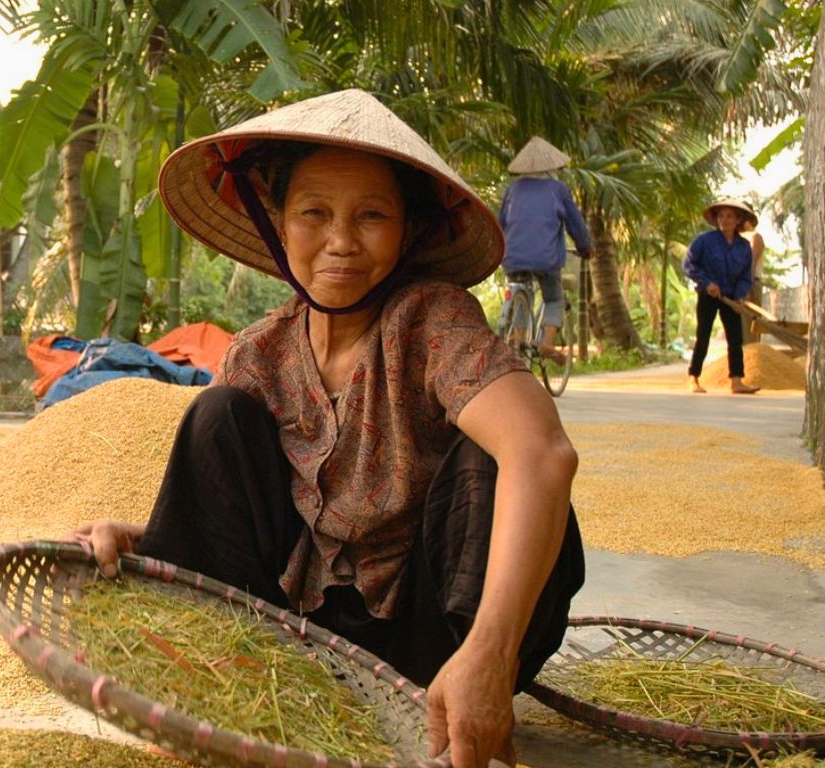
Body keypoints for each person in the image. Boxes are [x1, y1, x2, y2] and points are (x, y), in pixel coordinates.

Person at [72, 90, 584, 768]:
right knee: (215, 416)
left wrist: (489, 657)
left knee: (489, 462)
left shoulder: (432, 321)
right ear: (278, 222)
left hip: (432, 643)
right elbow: (242, 508)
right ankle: (229, 687)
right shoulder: (259, 351)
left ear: (408, 231)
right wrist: (146, 539)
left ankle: (464, 696)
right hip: (294, 643)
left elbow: (542, 453)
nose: (341, 240)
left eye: (372, 215)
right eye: (315, 213)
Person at [497, 136, 594, 362]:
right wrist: (585, 247)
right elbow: (575, 224)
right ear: (553, 166)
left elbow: (501, 223)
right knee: (554, 298)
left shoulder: (513, 189)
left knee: (522, 291)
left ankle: (517, 339)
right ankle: (547, 343)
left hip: (511, 257)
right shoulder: (557, 189)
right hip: (545, 259)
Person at [684, 199, 760, 394]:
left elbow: (745, 275)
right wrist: (707, 283)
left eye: (729, 216)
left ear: (738, 220)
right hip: (708, 294)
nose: (724, 220)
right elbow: (689, 265)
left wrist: (740, 295)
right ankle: (694, 378)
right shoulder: (704, 240)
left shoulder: (744, 247)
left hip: (731, 297)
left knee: (735, 339)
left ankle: (737, 381)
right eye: (721, 216)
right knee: (703, 335)